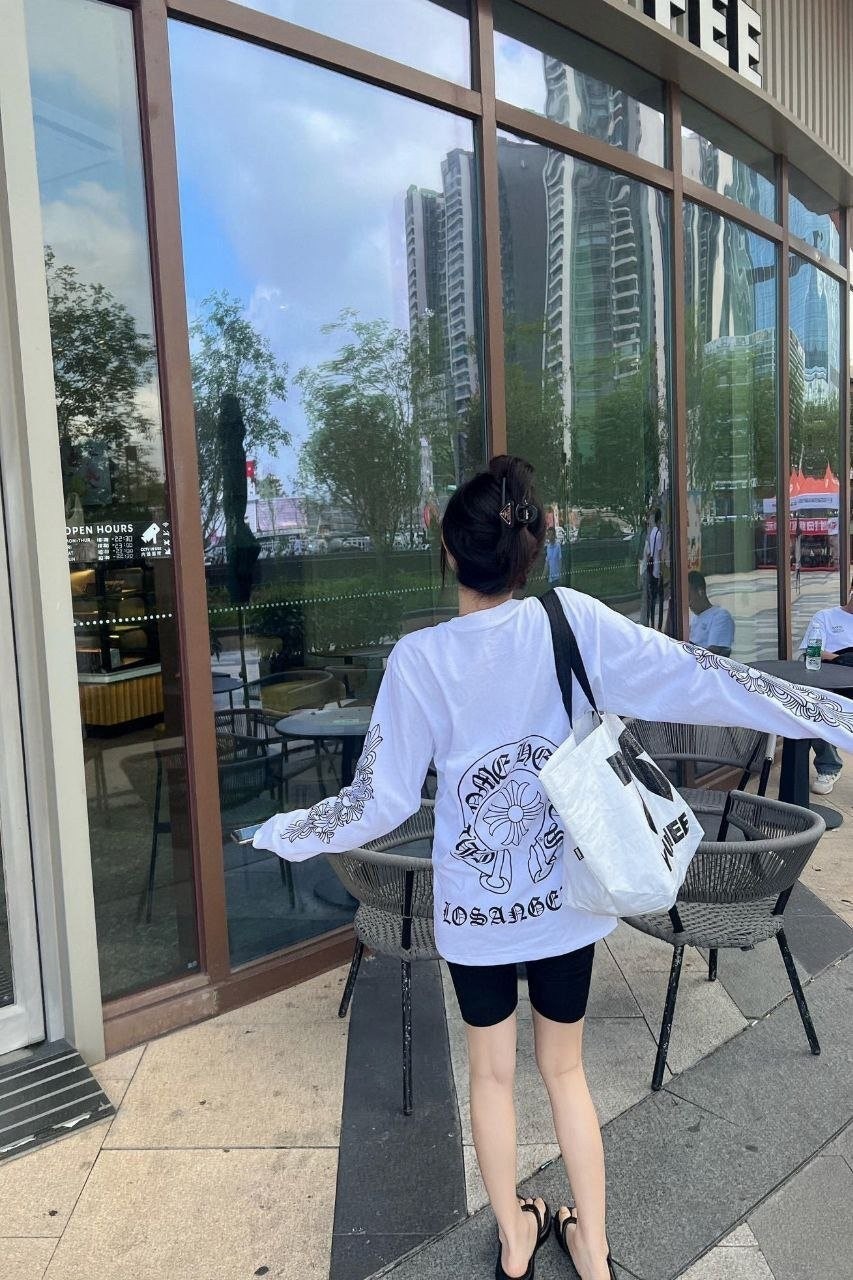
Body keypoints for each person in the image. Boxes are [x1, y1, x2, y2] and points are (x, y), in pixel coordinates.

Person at [253, 456, 853, 1280]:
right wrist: (821, 710)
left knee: (489, 1075)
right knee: (565, 1072)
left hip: (474, 913)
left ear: (447, 551)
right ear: (528, 551)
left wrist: (285, 829)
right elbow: (694, 677)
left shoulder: (418, 659)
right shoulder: (568, 619)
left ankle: (514, 1241)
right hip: (566, 900)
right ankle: (593, 1251)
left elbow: (378, 801)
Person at [798, 580, 853, 794]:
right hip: (829, 678)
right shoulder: (826, 617)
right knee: (814, 703)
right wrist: (840, 659)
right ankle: (829, 766)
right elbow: (812, 650)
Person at [688, 570, 735, 656]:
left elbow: (714, 655)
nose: (687, 602)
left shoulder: (720, 616)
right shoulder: (693, 618)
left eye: (688, 596)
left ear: (700, 591)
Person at [642, 508, 663, 629]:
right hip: (656, 567)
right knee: (657, 596)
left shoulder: (652, 533)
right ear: (659, 520)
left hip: (651, 565)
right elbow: (659, 552)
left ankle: (651, 622)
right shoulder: (658, 533)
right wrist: (660, 570)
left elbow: (650, 551)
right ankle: (656, 624)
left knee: (652, 595)